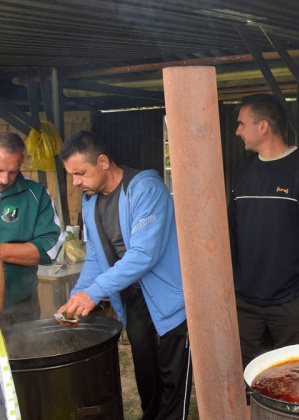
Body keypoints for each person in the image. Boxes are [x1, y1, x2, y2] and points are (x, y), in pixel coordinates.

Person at [56, 131, 192, 420]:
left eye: (80, 173)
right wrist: (78, 296)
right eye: (71, 175)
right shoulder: (90, 201)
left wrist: (94, 293)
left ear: (103, 162)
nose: (76, 182)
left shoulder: (144, 188)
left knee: (172, 379)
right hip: (132, 300)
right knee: (146, 375)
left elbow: (144, 254)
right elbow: (94, 256)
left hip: (169, 300)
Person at [229, 93, 299, 369]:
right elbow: (231, 231)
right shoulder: (244, 171)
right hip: (246, 302)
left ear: (263, 127)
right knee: (251, 380)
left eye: (242, 123)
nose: (237, 131)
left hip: (292, 302)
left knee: (297, 379)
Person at [0, 131, 62, 329]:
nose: (4, 179)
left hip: (21, 305)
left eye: (12, 172)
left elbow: (49, 248)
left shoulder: (35, 194)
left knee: (23, 356)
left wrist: (2, 252)